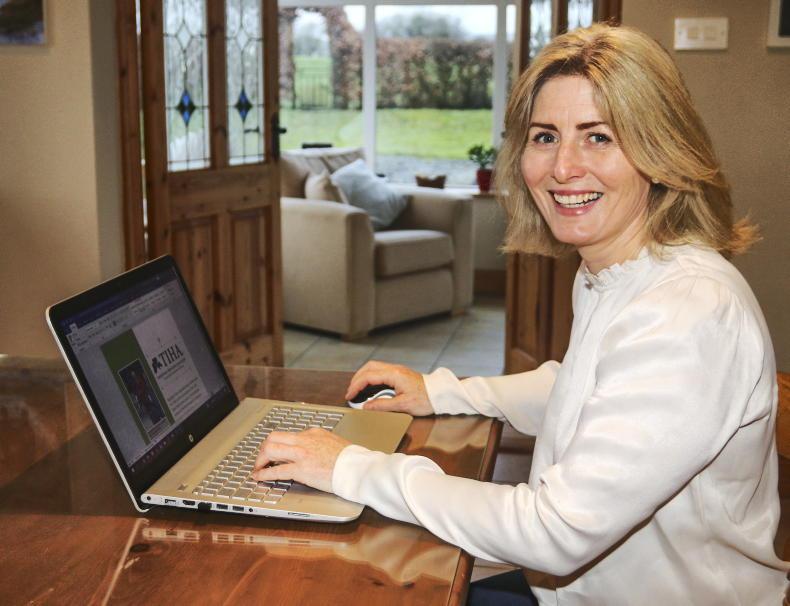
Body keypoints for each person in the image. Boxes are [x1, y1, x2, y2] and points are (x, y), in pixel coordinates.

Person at [253, 24, 788, 605]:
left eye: (599, 137)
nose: (563, 167)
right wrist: (443, 391)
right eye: (544, 136)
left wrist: (352, 468)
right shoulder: (619, 270)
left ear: (659, 151)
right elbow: (583, 386)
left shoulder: (687, 313)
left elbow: (554, 531)